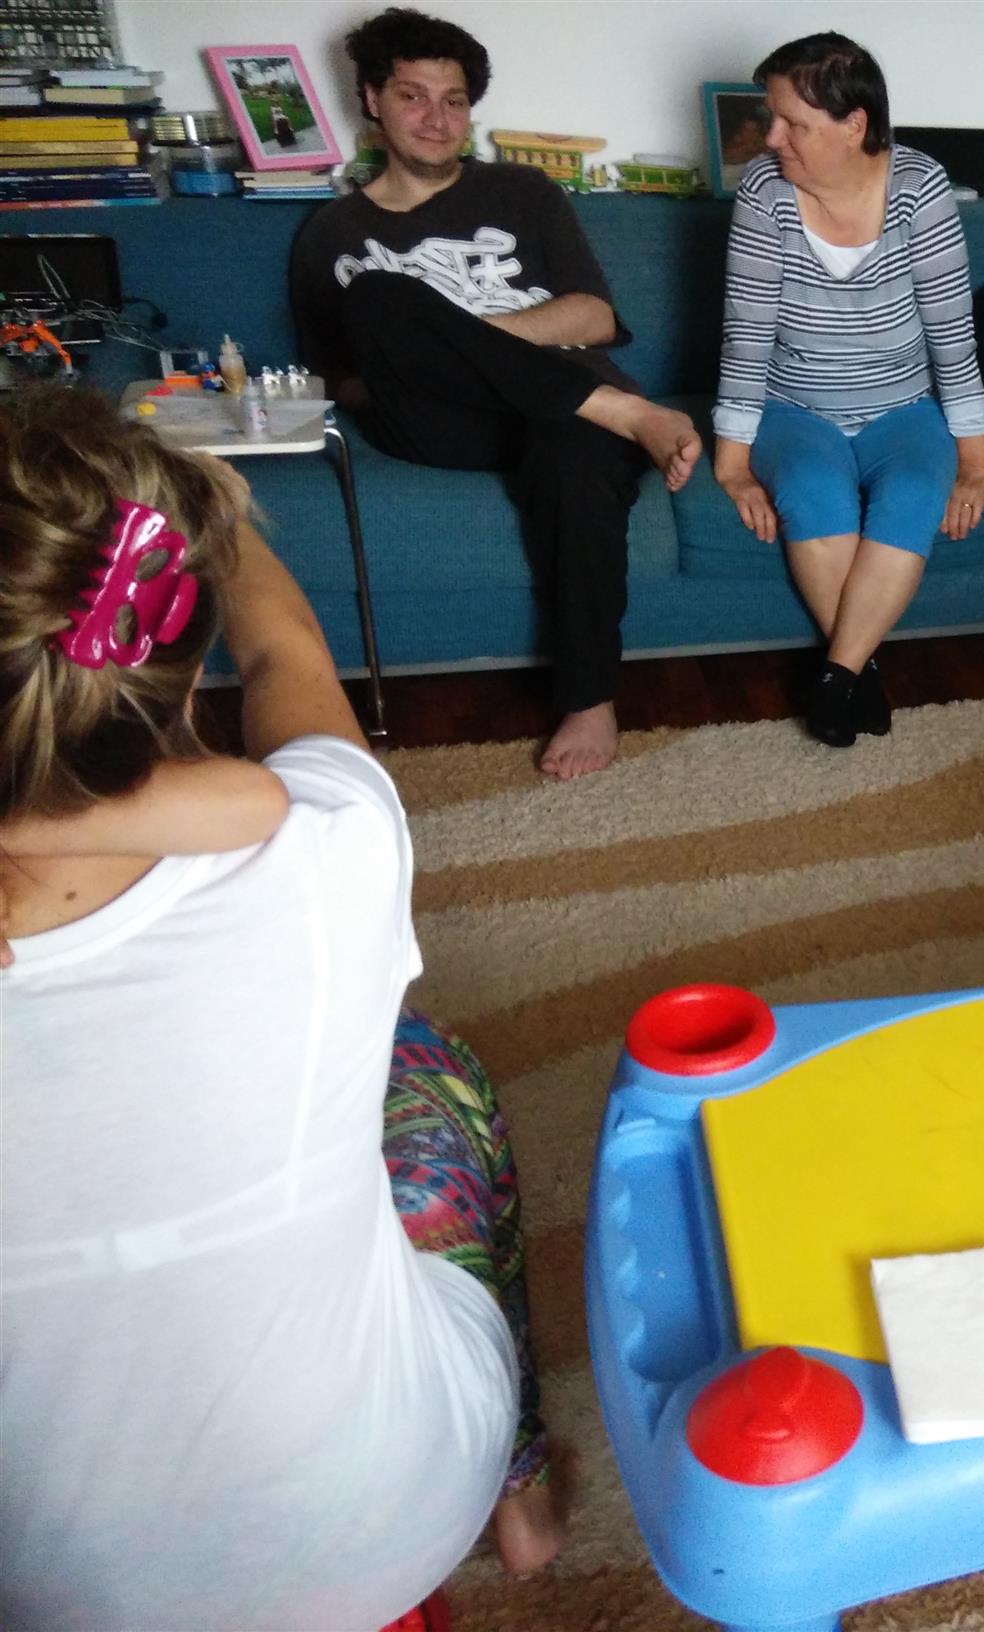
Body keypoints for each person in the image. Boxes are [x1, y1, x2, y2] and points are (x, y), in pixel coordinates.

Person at [0, 385, 562, 1627]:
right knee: (427, 1070)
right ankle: (517, 1486)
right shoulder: (316, 849)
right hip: (383, 1519)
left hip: (47, 1592)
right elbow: (286, 659)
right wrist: (210, 508)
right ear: (165, 639)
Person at [290, 6, 703, 780]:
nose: (436, 119)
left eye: (453, 100)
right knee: (382, 295)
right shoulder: (331, 232)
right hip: (435, 420)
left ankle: (589, 700)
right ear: (372, 99)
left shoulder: (523, 193)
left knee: (578, 454)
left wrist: (463, 339)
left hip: (562, 402)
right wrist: (431, 349)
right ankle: (626, 414)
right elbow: (339, 379)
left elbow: (595, 317)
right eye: (413, 96)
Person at [712, 31, 984, 747]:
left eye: (792, 124)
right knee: (812, 491)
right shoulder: (764, 191)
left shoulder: (920, 187)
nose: (771, 138)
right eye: (771, 119)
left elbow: (952, 334)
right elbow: (746, 335)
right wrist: (732, 463)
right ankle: (859, 676)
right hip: (793, 409)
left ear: (853, 125)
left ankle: (835, 677)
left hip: (904, 409)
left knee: (913, 494)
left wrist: (976, 457)